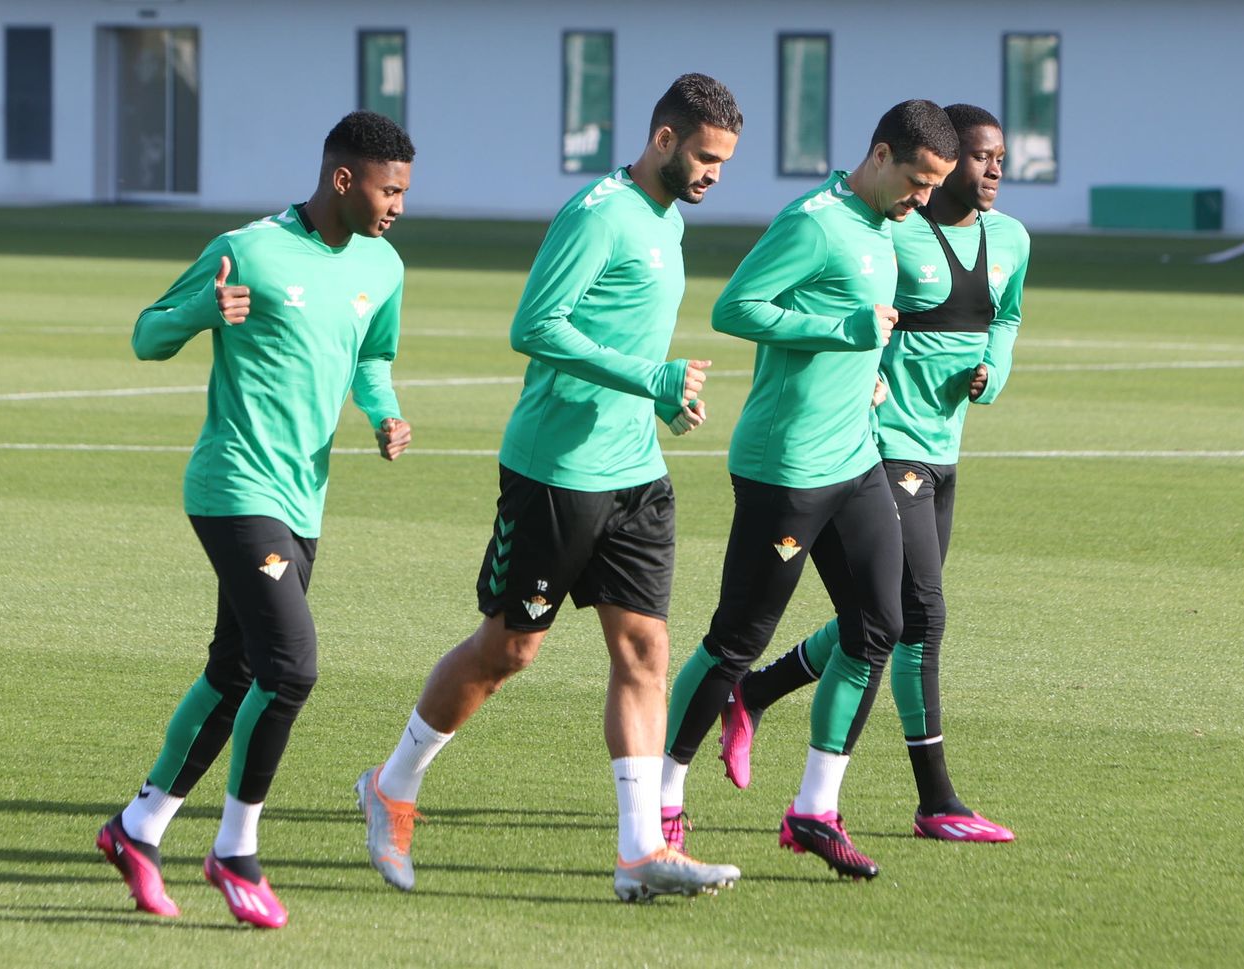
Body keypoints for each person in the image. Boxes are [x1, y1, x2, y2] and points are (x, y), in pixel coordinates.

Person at [354, 73, 743, 903]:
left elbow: (628, 342)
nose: (714, 174)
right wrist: (651, 375)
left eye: (724, 163)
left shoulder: (668, 220)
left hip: (635, 473)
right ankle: (390, 784)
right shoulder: (599, 214)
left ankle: (640, 854)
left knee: (643, 652)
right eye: (705, 157)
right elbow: (533, 325)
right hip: (556, 474)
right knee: (509, 650)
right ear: (664, 140)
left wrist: (661, 396)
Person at [94, 111, 417, 929]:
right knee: (292, 665)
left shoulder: (383, 266)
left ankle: (138, 828)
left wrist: (383, 413)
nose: (398, 207)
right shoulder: (250, 249)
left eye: (404, 191)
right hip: (234, 489)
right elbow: (145, 336)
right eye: (390, 189)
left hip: (302, 498)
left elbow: (372, 357)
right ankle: (235, 850)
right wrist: (206, 307)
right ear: (344, 180)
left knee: (233, 670)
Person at [659, 100, 959, 880]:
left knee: (879, 623)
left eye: (935, 188)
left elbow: (861, 330)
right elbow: (737, 309)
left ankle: (813, 811)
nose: (923, 199)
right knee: (736, 640)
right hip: (785, 466)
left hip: (855, 459)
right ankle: (660, 799)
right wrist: (846, 333)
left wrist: (869, 382)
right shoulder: (815, 222)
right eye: (918, 181)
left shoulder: (886, 230)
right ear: (882, 153)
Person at [713, 104, 1028, 844]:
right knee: (921, 617)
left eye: (999, 160)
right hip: (883, 448)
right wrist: (865, 379)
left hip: (945, 449)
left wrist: (998, 368)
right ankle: (936, 802)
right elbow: (854, 319)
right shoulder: (890, 233)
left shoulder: (1010, 238)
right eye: (979, 158)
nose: (991, 172)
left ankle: (753, 691)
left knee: (881, 618)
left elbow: (1006, 316)